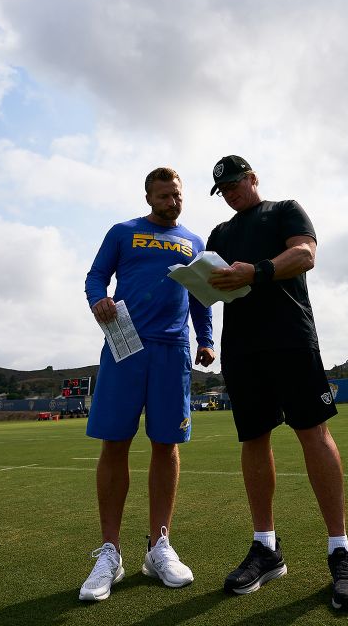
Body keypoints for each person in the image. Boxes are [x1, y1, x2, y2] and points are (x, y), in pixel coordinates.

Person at [205, 155, 348, 610]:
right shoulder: (219, 233)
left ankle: (341, 550)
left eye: (236, 184)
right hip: (241, 347)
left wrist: (253, 271)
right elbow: (214, 277)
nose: (232, 193)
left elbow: (305, 255)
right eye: (225, 190)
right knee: (253, 439)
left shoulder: (285, 210)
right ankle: (266, 548)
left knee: (313, 433)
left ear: (253, 178)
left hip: (291, 339)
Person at [78, 166, 216, 602]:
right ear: (148, 197)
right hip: (126, 346)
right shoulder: (123, 232)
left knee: (165, 445)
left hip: (173, 351)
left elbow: (202, 295)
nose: (171, 202)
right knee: (115, 443)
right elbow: (95, 276)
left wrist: (207, 340)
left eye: (176, 195)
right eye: (163, 196)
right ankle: (110, 553)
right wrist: (98, 299)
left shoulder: (194, 243)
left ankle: (159, 547)